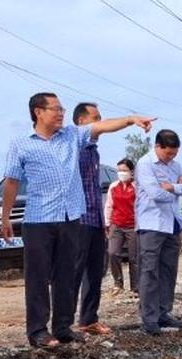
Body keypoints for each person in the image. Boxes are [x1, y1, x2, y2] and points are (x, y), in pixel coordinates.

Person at [1, 92, 152, 349]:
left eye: (62, 109)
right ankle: (37, 330)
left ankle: (63, 327)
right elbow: (12, 181)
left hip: (70, 218)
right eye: (55, 109)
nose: (61, 113)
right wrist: (5, 216)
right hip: (38, 219)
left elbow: (101, 127)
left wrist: (130, 120)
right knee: (38, 278)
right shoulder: (21, 144)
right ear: (38, 112)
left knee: (66, 275)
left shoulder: (71, 135)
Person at [135, 129, 182, 336]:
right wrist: (177, 189)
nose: (171, 157)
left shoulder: (175, 166)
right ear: (157, 146)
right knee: (150, 271)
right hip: (152, 223)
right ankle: (149, 318)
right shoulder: (145, 164)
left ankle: (163, 312)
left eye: (174, 154)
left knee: (169, 270)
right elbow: (154, 193)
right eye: (168, 153)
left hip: (172, 223)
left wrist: (172, 188)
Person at [69, 102, 111, 336]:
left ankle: (88, 319)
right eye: (96, 118)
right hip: (79, 219)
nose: (100, 122)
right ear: (82, 121)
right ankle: (63, 323)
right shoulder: (73, 146)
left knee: (96, 271)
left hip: (95, 218)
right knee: (73, 272)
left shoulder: (93, 151)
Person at [104, 158, 140, 295]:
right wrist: (107, 223)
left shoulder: (137, 187)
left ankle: (136, 286)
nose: (121, 173)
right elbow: (109, 205)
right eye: (119, 170)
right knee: (112, 253)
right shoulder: (113, 186)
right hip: (116, 224)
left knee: (134, 257)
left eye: (124, 170)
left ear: (131, 171)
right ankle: (118, 283)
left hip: (133, 225)